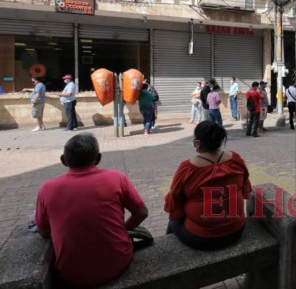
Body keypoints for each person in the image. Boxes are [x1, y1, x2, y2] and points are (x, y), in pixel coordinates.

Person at [34, 134, 148, 287]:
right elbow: (142, 212)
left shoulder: (47, 189)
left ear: (63, 160)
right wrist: (123, 228)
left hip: (71, 273)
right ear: (98, 158)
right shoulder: (117, 178)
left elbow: (43, 232)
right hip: (118, 261)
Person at [164, 121, 252, 250]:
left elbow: (174, 201)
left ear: (198, 143)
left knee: (173, 222)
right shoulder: (235, 159)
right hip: (236, 230)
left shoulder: (187, 169)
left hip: (201, 237)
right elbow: (245, 185)